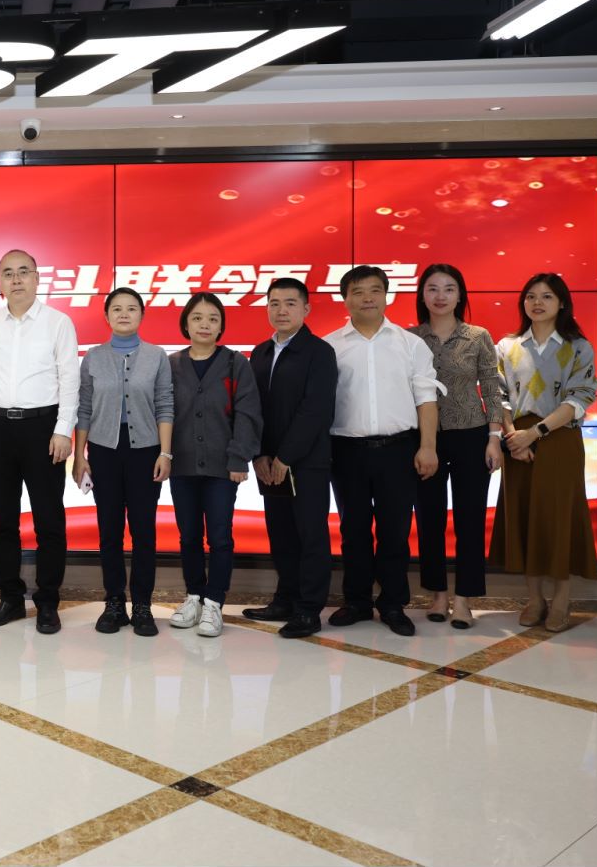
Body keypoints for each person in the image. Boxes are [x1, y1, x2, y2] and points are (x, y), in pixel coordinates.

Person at [325, 265, 440, 637]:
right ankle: (357, 601)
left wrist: (428, 447)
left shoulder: (410, 344)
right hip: (346, 451)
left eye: (375, 290)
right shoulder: (329, 346)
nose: (367, 298)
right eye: (358, 291)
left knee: (395, 530)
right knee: (353, 529)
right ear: (345, 298)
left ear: (387, 295)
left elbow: (426, 399)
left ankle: (392, 603)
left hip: (399, 450)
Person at [0, 248, 79, 634]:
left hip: (43, 428)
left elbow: (70, 379)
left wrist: (63, 430)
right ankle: (11, 598)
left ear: (37, 278)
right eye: (8, 273)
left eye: (23, 272)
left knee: (49, 520)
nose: (15, 279)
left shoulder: (58, 323)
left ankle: (48, 601)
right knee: (2, 520)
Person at [492, 272, 597, 633]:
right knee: (525, 517)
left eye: (547, 296)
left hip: (558, 439)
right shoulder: (507, 346)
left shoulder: (579, 347)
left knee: (558, 519)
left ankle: (562, 601)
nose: (537, 303)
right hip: (516, 441)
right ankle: (535, 599)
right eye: (531, 296)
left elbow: (581, 397)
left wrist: (535, 433)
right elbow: (498, 395)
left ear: (562, 303)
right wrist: (512, 437)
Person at [72, 287, 173, 637]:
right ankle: (114, 602)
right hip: (104, 451)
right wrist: (79, 456)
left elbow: (165, 405)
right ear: (107, 316)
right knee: (109, 530)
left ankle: (142, 604)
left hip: (146, 451)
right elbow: (84, 408)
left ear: (142, 315)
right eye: (117, 309)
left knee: (144, 531)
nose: (124, 314)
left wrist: (165, 452)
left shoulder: (157, 356)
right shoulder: (93, 357)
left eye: (132, 308)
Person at [243, 277, 338, 639]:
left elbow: (316, 410)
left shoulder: (319, 352)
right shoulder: (260, 352)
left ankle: (309, 610)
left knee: (310, 535)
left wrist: (285, 457)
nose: (281, 310)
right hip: (269, 464)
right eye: (274, 303)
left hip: (307, 462)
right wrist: (259, 455)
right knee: (281, 534)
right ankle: (285, 599)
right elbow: (253, 409)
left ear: (306, 309)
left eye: (290, 303)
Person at [410, 263, 503, 630]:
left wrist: (494, 437)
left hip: (471, 434)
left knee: (470, 518)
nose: (440, 296)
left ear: (460, 295)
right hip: (425, 439)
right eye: (432, 288)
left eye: (449, 289)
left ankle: (464, 598)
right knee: (429, 517)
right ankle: (437, 594)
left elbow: (492, 388)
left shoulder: (478, 336)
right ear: (422, 295)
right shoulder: (410, 338)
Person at [167, 292, 262, 638]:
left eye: (212, 318)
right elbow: (162, 412)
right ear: (186, 324)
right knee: (188, 536)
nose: (205, 324)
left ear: (221, 326)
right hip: (182, 466)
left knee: (220, 537)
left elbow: (248, 413)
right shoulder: (171, 364)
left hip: (223, 468)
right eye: (197, 318)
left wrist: (239, 458)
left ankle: (214, 602)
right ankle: (194, 596)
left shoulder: (236, 363)